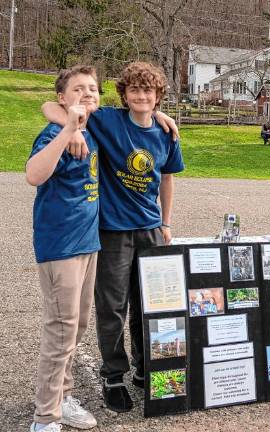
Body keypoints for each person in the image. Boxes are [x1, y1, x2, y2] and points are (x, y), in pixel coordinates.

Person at [42, 62, 185, 412]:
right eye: (134, 90)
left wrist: (166, 222)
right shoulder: (108, 120)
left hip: (150, 228)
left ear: (158, 96)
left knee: (149, 303)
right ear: (124, 94)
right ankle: (113, 375)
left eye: (148, 92)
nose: (141, 96)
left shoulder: (166, 133)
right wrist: (72, 130)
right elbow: (51, 107)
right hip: (113, 230)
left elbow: (167, 177)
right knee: (112, 307)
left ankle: (144, 365)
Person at [27, 66, 101, 432]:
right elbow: (34, 174)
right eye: (78, 89)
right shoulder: (54, 132)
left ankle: (62, 397)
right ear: (63, 97)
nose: (87, 93)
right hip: (61, 246)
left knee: (77, 326)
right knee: (60, 331)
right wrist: (67, 128)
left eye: (93, 88)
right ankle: (45, 418)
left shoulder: (95, 128)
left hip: (89, 244)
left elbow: (142, 108)